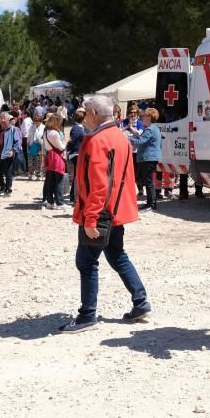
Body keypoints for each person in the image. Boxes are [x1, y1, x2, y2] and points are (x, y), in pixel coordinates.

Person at [58, 95, 150, 333]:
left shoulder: (97, 140)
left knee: (86, 261)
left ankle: (88, 315)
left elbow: (99, 184)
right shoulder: (120, 137)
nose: (83, 115)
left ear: (94, 114)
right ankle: (141, 302)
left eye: (85, 111)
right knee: (117, 254)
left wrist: (90, 218)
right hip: (116, 211)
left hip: (100, 212)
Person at [132, 107, 162, 211]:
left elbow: (139, 141)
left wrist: (126, 137)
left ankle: (151, 204)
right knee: (149, 181)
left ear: (149, 117)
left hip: (148, 158)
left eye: (144, 116)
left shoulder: (150, 129)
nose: (142, 118)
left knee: (149, 182)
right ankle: (151, 203)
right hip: (149, 158)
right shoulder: (154, 128)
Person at [0, 111, 20, 197]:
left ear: (8, 120)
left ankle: (8, 189)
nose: (3, 120)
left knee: (8, 173)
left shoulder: (13, 129)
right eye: (1, 118)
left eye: (5, 118)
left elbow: (17, 142)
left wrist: (13, 151)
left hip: (8, 153)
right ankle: (2, 187)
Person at [42, 112, 67, 208]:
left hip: (49, 156)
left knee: (50, 180)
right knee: (59, 180)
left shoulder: (46, 132)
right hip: (56, 157)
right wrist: (66, 143)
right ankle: (60, 202)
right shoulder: (55, 133)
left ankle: (50, 202)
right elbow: (61, 147)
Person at [65, 108, 86, 203]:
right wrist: (69, 151)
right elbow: (72, 141)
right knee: (77, 176)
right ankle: (73, 197)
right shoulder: (77, 128)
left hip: (77, 154)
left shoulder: (78, 127)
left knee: (77, 176)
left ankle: (74, 196)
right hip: (76, 154)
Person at [26, 112, 45, 182]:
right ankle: (30, 174)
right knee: (31, 161)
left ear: (40, 121)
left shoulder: (43, 127)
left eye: (38, 121)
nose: (36, 123)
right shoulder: (32, 127)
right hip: (32, 145)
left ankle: (38, 174)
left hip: (39, 145)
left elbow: (43, 137)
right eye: (35, 121)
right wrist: (28, 145)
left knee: (39, 161)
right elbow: (29, 137)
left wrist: (42, 142)